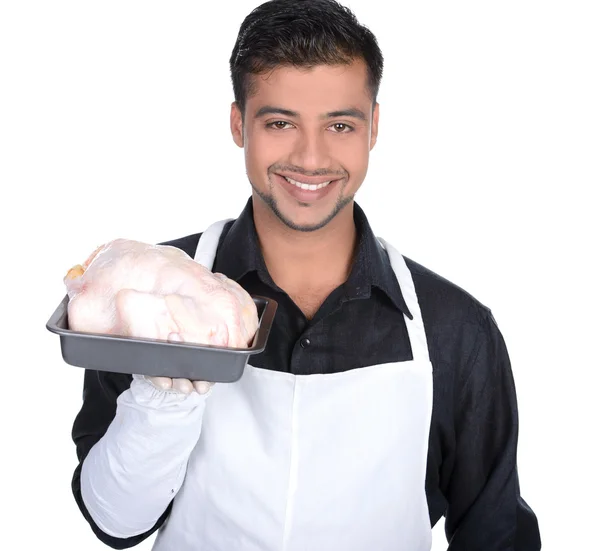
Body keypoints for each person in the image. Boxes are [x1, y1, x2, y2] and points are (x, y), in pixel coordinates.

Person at [70, 0, 541, 549]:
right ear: (237, 124)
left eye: (340, 124)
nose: (311, 157)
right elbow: (115, 522)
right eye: (279, 122)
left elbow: (495, 535)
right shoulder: (146, 294)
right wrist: (161, 403)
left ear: (373, 128)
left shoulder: (454, 329)